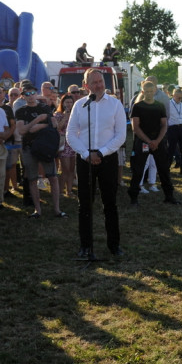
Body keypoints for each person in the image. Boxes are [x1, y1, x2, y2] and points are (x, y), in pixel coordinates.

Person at [66, 68, 126, 259]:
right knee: (85, 205)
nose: (99, 85)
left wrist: (101, 152)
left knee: (110, 204)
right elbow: (70, 134)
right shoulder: (80, 106)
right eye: (94, 82)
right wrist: (86, 154)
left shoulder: (115, 105)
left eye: (101, 81)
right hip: (85, 160)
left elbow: (121, 135)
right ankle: (85, 246)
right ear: (86, 86)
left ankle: (114, 245)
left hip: (108, 159)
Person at [16, 81, 65, 219]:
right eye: (27, 94)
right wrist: (37, 121)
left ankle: (57, 209)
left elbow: (54, 125)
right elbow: (22, 130)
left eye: (32, 93)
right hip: (29, 147)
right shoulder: (21, 111)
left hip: (45, 146)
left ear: (36, 94)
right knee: (32, 179)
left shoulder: (45, 107)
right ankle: (38, 210)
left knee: (53, 177)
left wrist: (39, 127)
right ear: (23, 96)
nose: (30, 96)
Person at [128, 80, 179, 206]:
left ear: (155, 90)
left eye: (152, 91)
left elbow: (164, 125)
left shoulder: (160, 106)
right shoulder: (137, 106)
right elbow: (136, 127)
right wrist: (149, 141)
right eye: (147, 91)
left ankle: (169, 196)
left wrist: (157, 141)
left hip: (158, 142)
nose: (149, 94)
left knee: (163, 169)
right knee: (138, 170)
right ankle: (133, 197)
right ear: (142, 92)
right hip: (143, 142)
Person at [165, 87, 182, 176]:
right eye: (178, 98)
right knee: (171, 149)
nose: (180, 99)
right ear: (173, 95)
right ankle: (166, 169)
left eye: (181, 98)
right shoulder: (168, 104)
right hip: (172, 128)